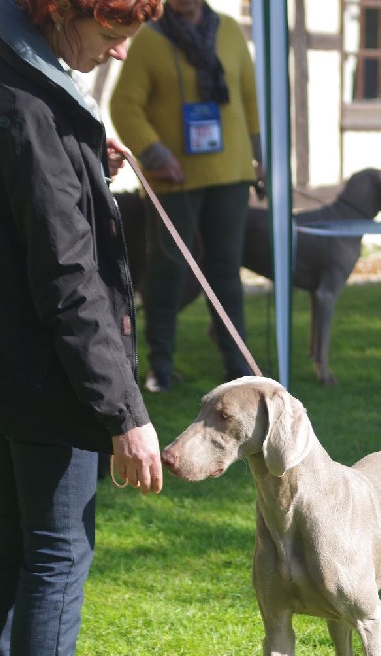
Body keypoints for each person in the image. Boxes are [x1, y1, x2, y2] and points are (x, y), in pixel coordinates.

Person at [0, 0, 164, 656]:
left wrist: (81, 152)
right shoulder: (30, 107)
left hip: (15, 370)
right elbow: (68, 280)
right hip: (46, 379)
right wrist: (123, 412)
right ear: (59, 13)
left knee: (15, 554)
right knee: (56, 558)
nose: (121, 52)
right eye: (114, 32)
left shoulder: (22, 81)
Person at [110, 0, 264, 392]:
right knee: (166, 271)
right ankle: (159, 369)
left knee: (226, 272)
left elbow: (249, 99)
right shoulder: (150, 38)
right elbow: (124, 105)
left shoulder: (228, 30)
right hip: (173, 180)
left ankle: (238, 367)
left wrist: (260, 157)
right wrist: (155, 154)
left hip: (230, 174)